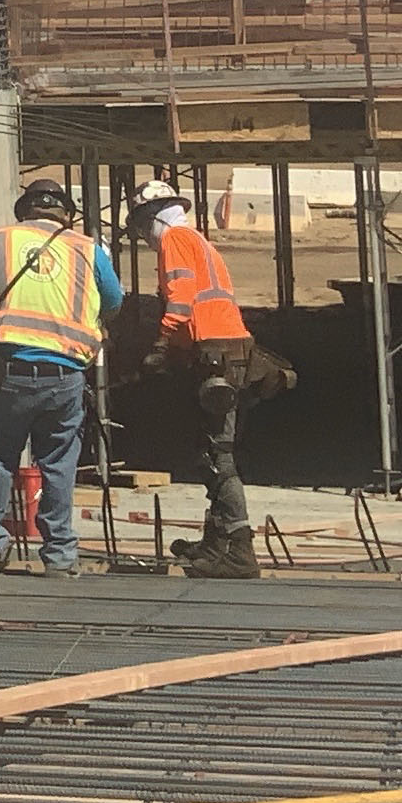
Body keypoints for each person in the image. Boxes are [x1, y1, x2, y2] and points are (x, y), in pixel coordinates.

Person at [0, 180, 117, 577]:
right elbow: (114, 300)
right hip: (64, 375)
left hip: (4, 372)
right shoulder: (87, 248)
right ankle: (60, 556)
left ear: (23, 211)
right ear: (65, 213)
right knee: (58, 464)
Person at [130, 189, 278, 577]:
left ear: (156, 217)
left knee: (219, 455)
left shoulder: (175, 239)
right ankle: (217, 541)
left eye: (144, 225)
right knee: (208, 448)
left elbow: (181, 300)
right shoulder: (198, 241)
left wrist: (161, 342)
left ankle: (238, 549)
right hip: (224, 350)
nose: (144, 236)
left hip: (216, 353)